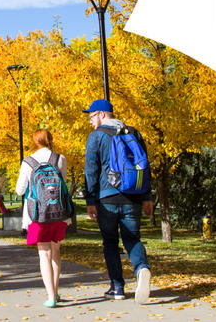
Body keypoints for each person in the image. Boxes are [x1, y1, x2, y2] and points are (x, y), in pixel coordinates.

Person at [83, 99, 154, 303]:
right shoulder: (134, 133)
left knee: (111, 243)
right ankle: (141, 269)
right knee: (133, 238)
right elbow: (144, 167)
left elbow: (91, 170)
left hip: (107, 199)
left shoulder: (96, 136)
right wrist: (147, 196)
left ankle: (117, 287)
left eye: (92, 116)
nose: (90, 121)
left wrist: (90, 200)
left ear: (103, 115)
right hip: (133, 197)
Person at [16, 129, 72, 308]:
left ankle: (50, 297)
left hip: (37, 213)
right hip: (58, 212)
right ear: (50, 140)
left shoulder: (28, 162)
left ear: (35, 142)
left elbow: (19, 189)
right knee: (56, 251)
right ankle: (55, 291)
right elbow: (62, 182)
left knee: (44, 254)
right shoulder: (59, 159)